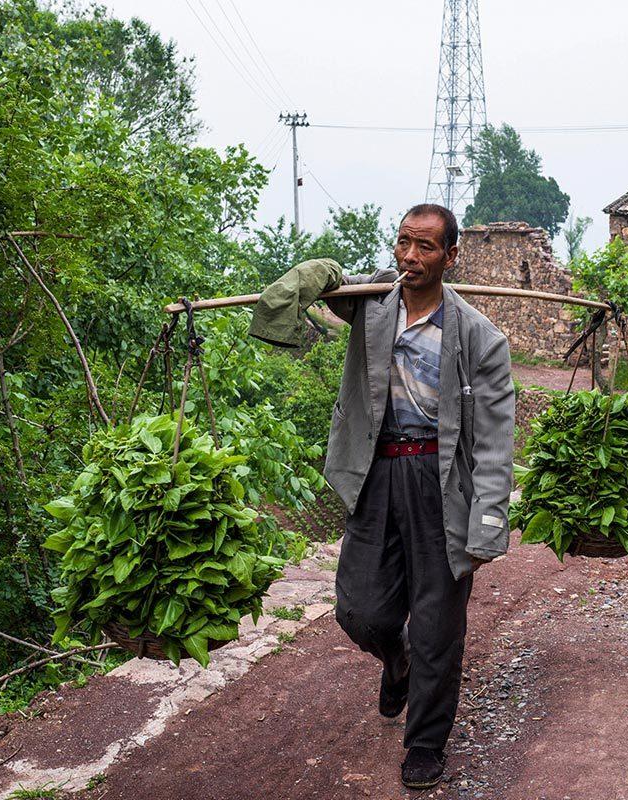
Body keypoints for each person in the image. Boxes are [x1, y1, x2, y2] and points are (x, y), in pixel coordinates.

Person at [247, 203, 515, 790]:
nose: (410, 257)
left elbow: (494, 441)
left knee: (438, 626)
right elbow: (298, 295)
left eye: (425, 248)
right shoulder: (371, 305)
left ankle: (424, 743)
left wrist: (488, 521)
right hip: (376, 474)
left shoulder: (479, 339)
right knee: (359, 609)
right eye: (403, 244)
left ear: (450, 256)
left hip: (441, 485)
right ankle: (395, 659)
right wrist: (315, 271)